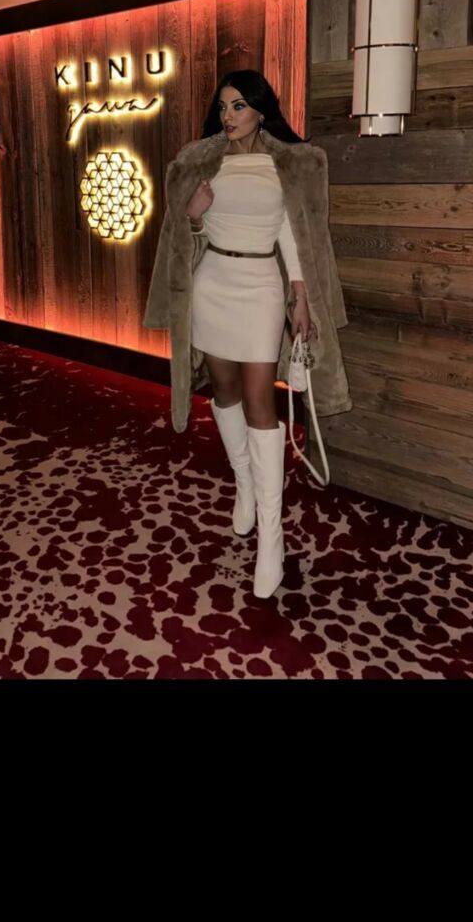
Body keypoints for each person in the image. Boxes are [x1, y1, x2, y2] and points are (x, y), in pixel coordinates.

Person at [143, 69, 352, 601]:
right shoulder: (201, 160)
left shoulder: (289, 162)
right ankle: (243, 481)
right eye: (223, 107)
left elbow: (293, 232)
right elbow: (183, 239)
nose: (228, 116)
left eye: (238, 106)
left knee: (262, 400)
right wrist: (193, 216)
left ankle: (271, 537)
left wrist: (300, 296)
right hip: (213, 283)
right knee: (226, 391)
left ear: (261, 109)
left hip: (260, 288)